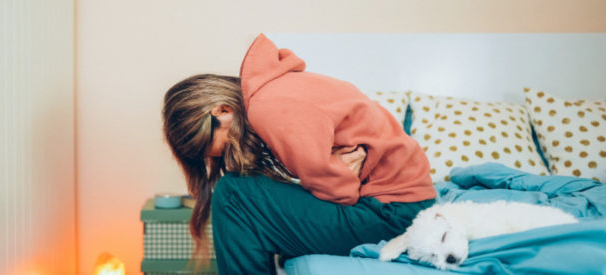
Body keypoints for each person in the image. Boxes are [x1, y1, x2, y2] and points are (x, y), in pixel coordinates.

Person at [162, 34, 437, 274]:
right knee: (241, 192)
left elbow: (341, 194)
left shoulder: (269, 109)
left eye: (209, 146)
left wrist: (335, 174)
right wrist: (330, 171)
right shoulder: (278, 89)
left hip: (391, 214)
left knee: (233, 193)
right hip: (400, 206)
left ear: (222, 110)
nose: (218, 155)